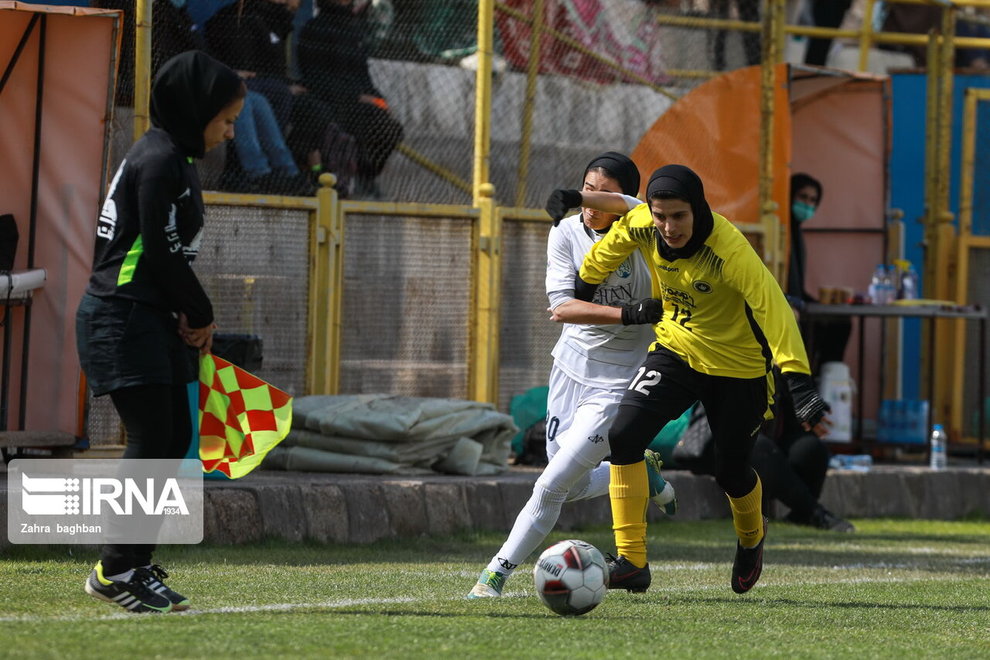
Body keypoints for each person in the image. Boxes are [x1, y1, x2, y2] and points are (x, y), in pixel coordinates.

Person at [545, 164, 830, 594]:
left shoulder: (730, 251)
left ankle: (752, 538)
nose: (668, 226)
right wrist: (585, 284)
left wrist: (800, 382)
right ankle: (631, 561)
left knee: (730, 471)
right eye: (660, 216)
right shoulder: (646, 222)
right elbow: (614, 241)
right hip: (676, 350)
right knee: (623, 436)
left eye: (678, 216)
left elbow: (775, 309)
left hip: (739, 370)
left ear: (697, 209)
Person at [76, 50, 246, 613]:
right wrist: (199, 312)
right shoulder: (158, 161)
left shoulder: (176, 157)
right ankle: (116, 569)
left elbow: (169, 254)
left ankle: (134, 563)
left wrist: (191, 312)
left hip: (149, 315)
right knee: (151, 439)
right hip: (121, 316)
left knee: (172, 439)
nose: (229, 131)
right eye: (224, 119)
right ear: (193, 108)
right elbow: (155, 249)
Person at [467, 152, 676, 599]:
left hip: (619, 383)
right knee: (575, 481)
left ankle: (495, 574)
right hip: (569, 369)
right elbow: (562, 308)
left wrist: (594, 197)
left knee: (551, 485)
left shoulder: (642, 231)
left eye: (600, 192)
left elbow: (635, 209)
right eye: (585, 188)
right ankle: (644, 472)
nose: (588, 201)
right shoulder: (564, 233)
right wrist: (631, 312)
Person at [678, 369, 855, 533]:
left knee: (810, 449)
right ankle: (815, 512)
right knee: (759, 447)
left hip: (763, 447)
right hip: (713, 445)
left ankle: (801, 515)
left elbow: (790, 427)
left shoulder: (776, 368)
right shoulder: (731, 359)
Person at [298, 0, 404, 198]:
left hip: (360, 102)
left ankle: (366, 178)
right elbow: (314, 77)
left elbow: (364, 76)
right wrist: (356, 97)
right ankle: (327, 178)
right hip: (331, 100)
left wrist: (379, 100)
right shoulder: (315, 29)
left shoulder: (352, 29)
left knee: (390, 128)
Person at [787, 172, 851, 375]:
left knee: (840, 322)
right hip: (785, 305)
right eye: (802, 197)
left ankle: (825, 380)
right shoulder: (783, 231)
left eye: (813, 200)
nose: (807, 204)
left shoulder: (795, 232)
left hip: (795, 302)